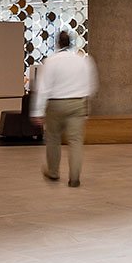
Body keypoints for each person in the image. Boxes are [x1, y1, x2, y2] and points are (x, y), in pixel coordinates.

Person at [31, 30, 97, 188]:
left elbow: (43, 88)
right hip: (77, 104)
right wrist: (85, 105)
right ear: (71, 43)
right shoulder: (83, 61)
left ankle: (53, 172)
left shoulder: (51, 61)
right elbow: (91, 86)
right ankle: (74, 177)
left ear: (58, 43)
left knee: (53, 139)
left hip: (55, 104)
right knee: (75, 141)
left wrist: (38, 112)